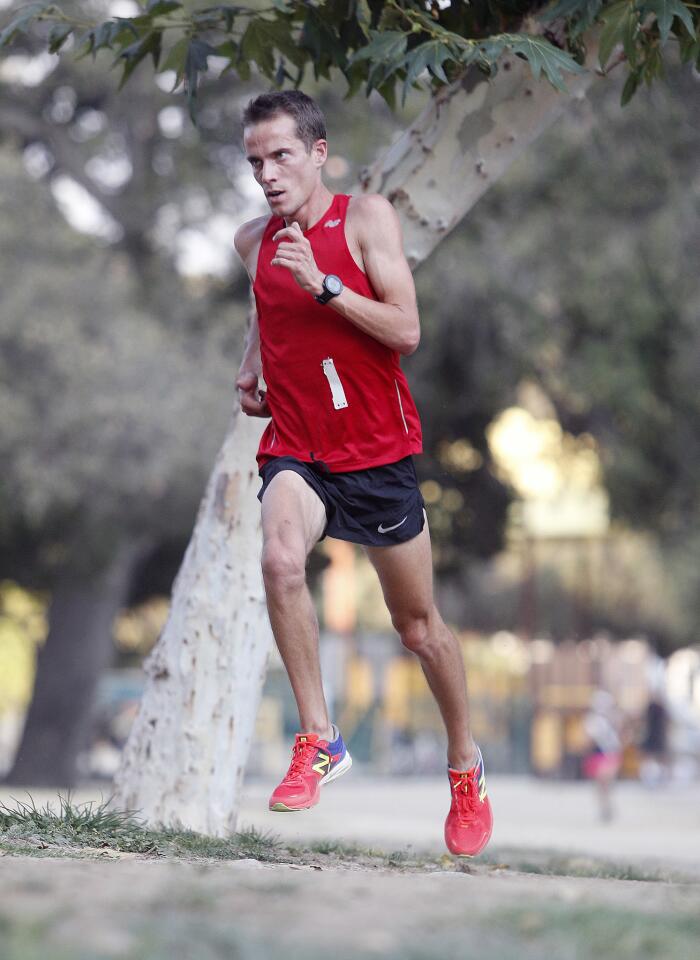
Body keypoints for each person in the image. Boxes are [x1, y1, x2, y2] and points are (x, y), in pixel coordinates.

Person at [233, 90, 492, 858]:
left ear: (317, 153)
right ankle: (319, 738)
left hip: (377, 454)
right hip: (299, 445)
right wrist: (249, 367)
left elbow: (405, 330)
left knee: (419, 629)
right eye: (255, 162)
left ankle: (465, 766)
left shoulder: (367, 219)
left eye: (281, 156)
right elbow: (263, 310)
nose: (269, 175)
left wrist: (325, 284)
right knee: (280, 559)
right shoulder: (253, 241)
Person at [582, 688, 624, 822]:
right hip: (598, 753)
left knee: (605, 781)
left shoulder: (612, 719)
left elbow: (619, 734)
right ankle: (604, 806)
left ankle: (607, 805)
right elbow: (588, 738)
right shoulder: (592, 720)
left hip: (609, 753)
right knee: (601, 783)